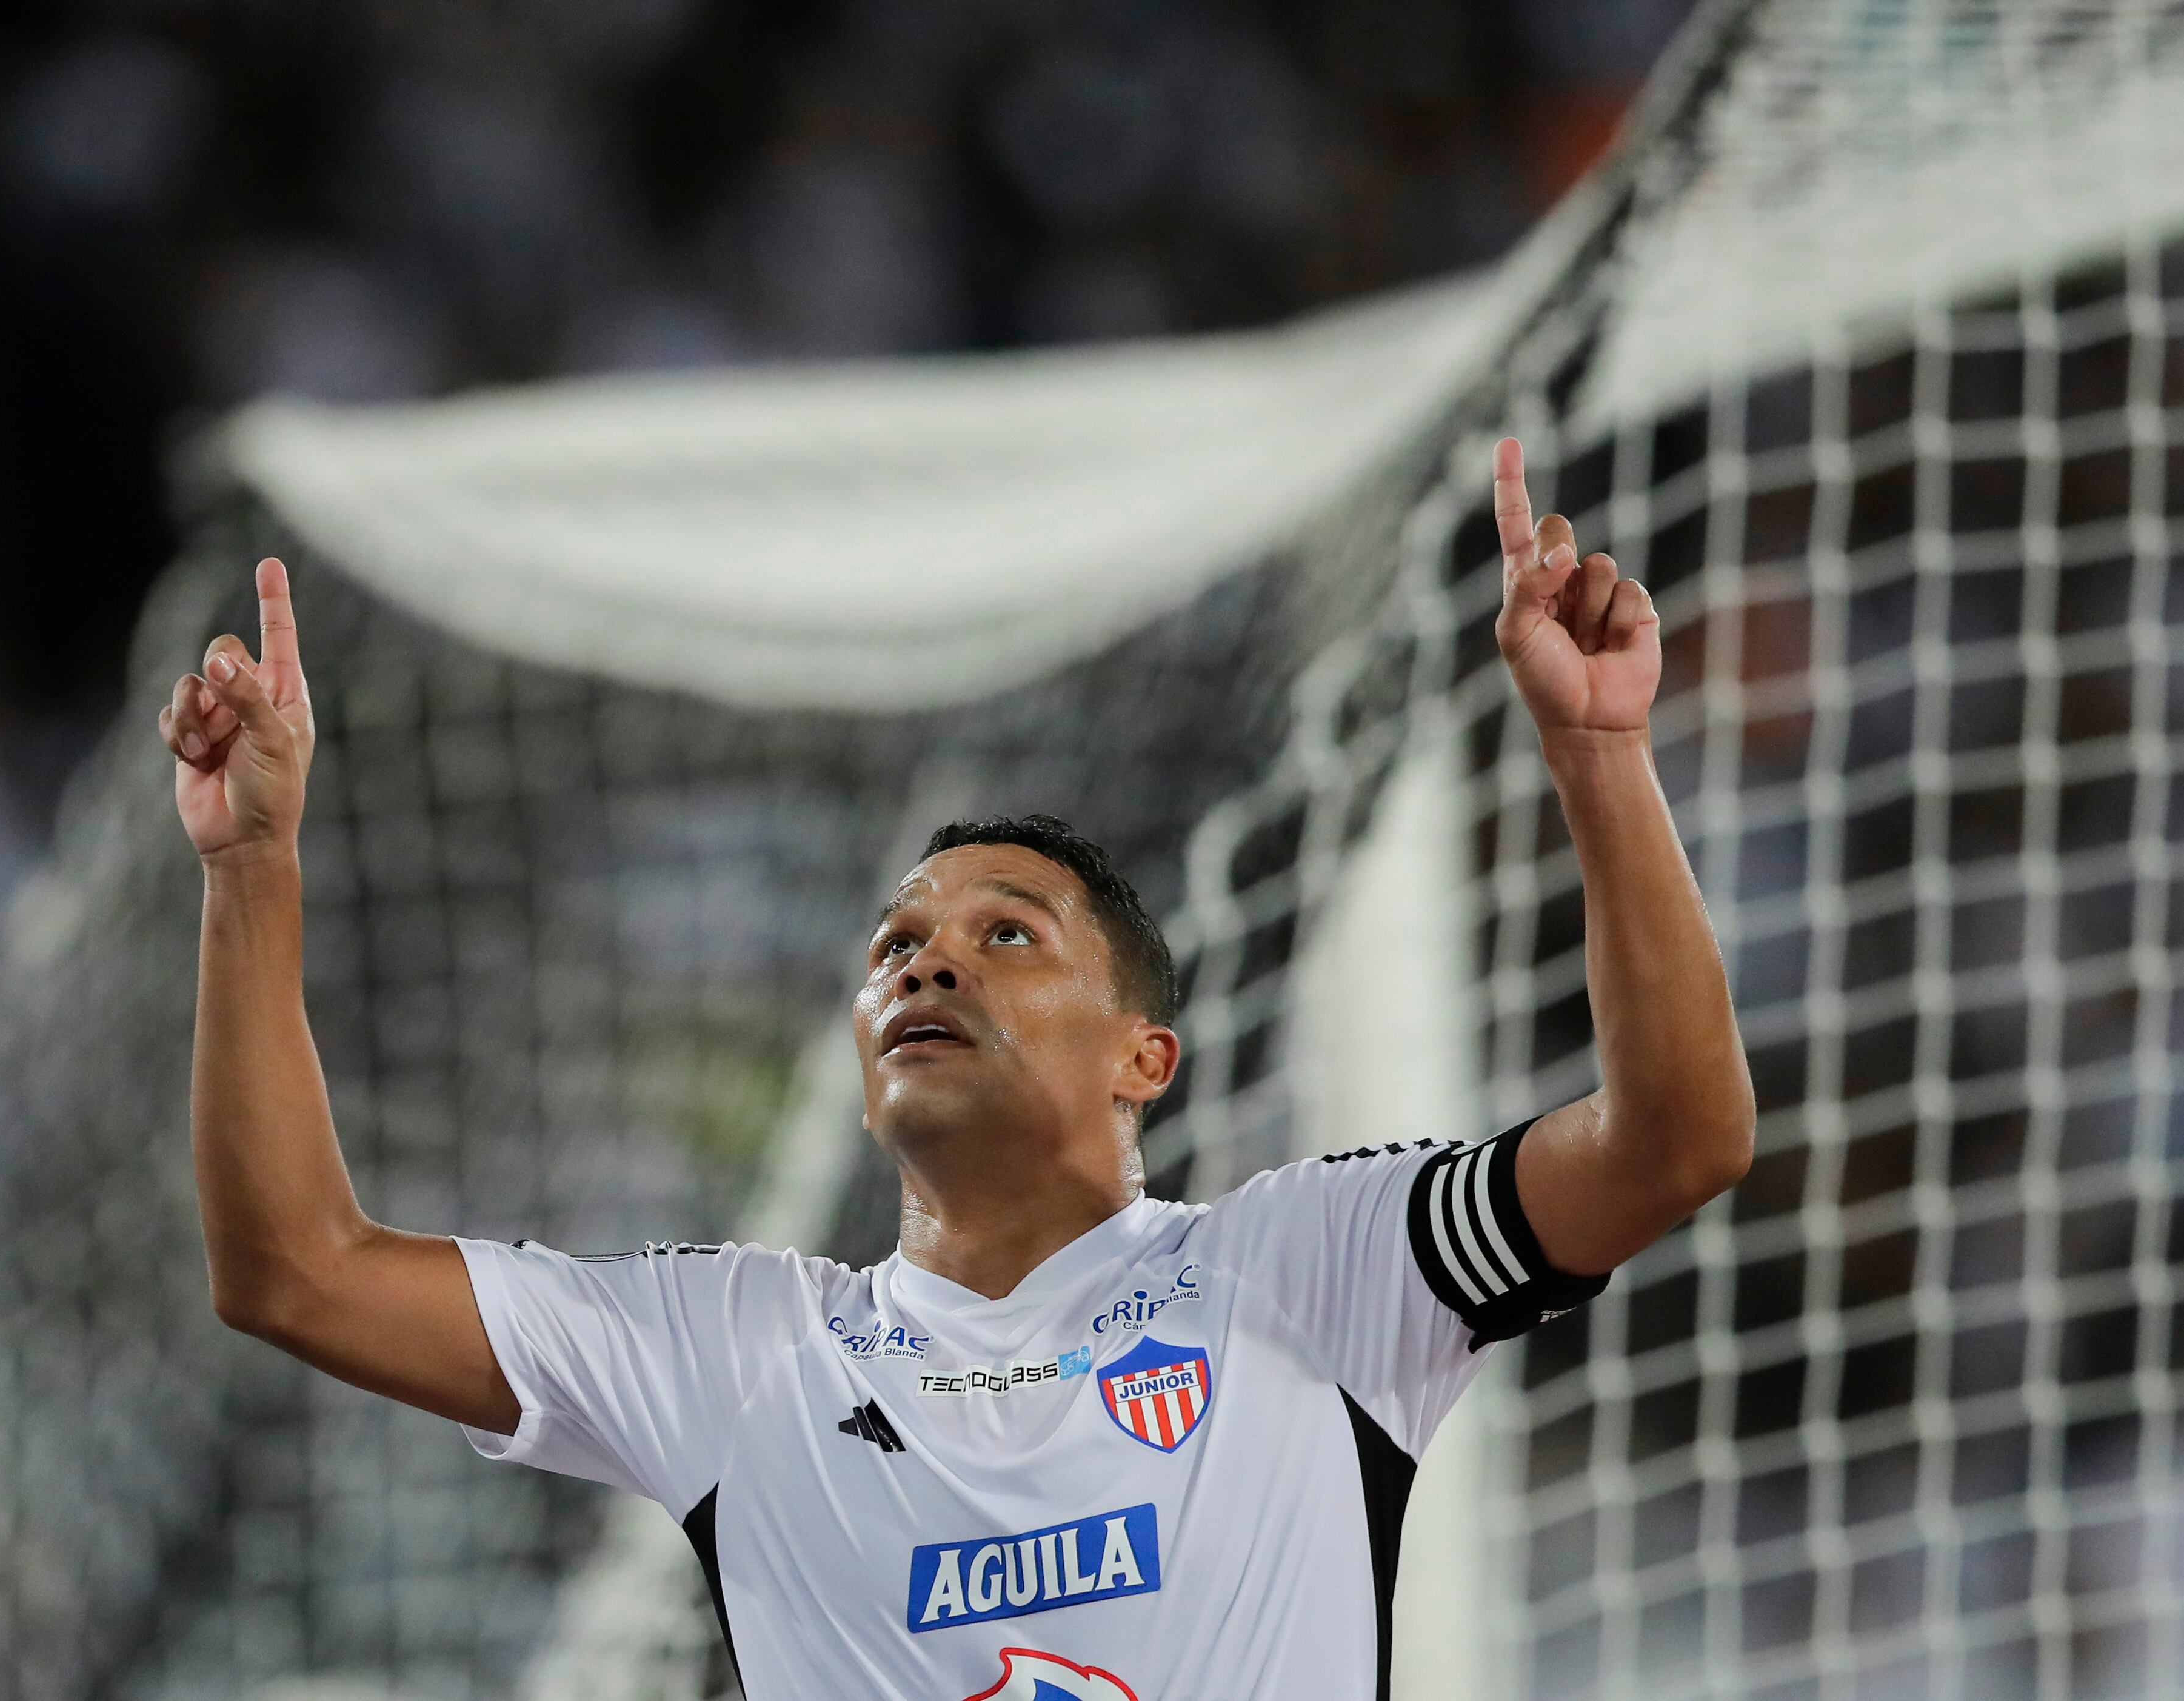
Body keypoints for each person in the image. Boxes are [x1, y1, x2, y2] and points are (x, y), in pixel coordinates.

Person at [158, 437, 1754, 1701]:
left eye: (1007, 936)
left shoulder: (1308, 1270)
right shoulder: (742, 1356)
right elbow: (294, 1271)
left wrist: (1599, 759)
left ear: (1145, 1056)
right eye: (894, 946)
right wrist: (253, 878)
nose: (923, 960)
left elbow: (1674, 1140)